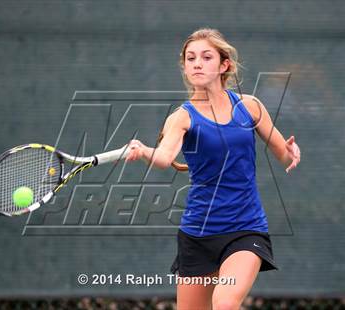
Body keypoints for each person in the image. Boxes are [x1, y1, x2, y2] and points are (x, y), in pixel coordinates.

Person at [124, 28, 301, 310]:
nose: (197, 63)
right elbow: (164, 157)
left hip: (246, 229)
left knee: (225, 303)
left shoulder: (250, 107)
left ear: (224, 65)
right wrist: (144, 151)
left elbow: (283, 152)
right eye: (190, 58)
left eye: (206, 57)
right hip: (197, 235)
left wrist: (291, 152)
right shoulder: (181, 117)